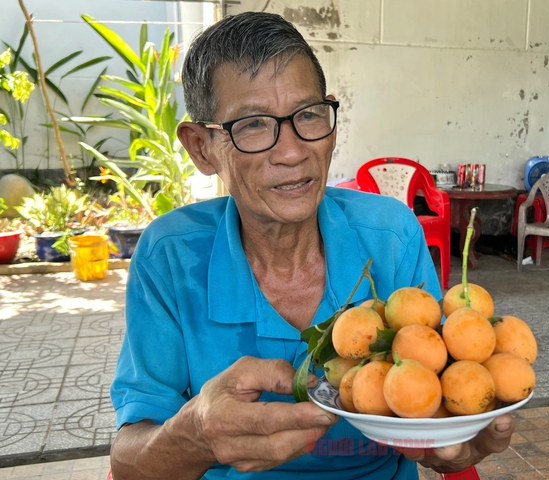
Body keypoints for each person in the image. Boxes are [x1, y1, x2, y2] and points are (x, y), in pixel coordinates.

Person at [109, 11, 515, 479]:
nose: (293, 151)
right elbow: (128, 464)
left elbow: (438, 394)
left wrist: (455, 442)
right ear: (201, 147)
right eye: (254, 125)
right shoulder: (170, 255)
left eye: (308, 115)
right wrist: (196, 435)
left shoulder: (391, 236)